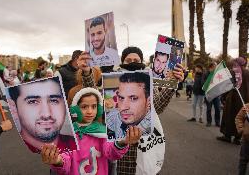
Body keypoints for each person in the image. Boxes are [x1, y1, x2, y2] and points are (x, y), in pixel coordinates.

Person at [76, 46, 184, 175]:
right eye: (128, 60)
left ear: (141, 61)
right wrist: (87, 73)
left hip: (143, 146)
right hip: (119, 148)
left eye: (136, 59)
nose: (132, 62)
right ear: (122, 61)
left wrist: (173, 82)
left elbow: (158, 107)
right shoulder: (111, 79)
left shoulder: (148, 80)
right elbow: (94, 99)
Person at [41, 87, 141, 175]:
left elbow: (111, 153)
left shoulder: (102, 132)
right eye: (84, 107)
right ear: (74, 109)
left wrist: (122, 142)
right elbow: (65, 164)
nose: (90, 111)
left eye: (94, 106)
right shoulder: (68, 134)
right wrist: (58, 161)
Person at [7, 77, 77, 153]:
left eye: (54, 101)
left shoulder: (78, 143)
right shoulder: (15, 154)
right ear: (14, 109)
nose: (46, 114)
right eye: (33, 102)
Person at [217, 57, 249, 145]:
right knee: (242, 118)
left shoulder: (232, 72)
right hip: (246, 100)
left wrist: (223, 97)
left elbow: (226, 86)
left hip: (232, 100)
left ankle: (227, 136)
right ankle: (238, 137)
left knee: (229, 117)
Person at [106, 72, 151, 139]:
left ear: (148, 101)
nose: (123, 107)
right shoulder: (114, 115)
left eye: (133, 98)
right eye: (121, 98)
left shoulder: (151, 127)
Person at [235, 104, 249, 175]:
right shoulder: (248, 106)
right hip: (247, 139)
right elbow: (239, 118)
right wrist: (241, 130)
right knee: (243, 160)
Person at [204, 62, 221, 127]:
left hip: (216, 94)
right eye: (215, 66)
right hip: (209, 94)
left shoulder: (217, 74)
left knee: (217, 109)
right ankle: (209, 122)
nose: (216, 67)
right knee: (209, 108)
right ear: (211, 67)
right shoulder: (206, 74)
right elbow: (203, 83)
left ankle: (217, 122)